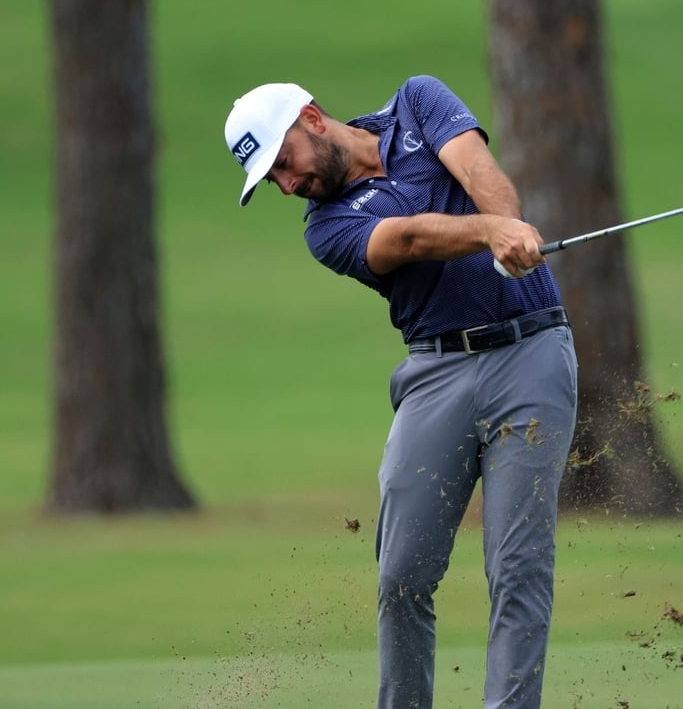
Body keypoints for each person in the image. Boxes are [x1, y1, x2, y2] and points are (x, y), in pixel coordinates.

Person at [223, 75, 578, 709]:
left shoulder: (417, 102)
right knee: (402, 576)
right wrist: (490, 234)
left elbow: (477, 170)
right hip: (436, 375)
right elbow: (406, 239)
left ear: (311, 117)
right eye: (272, 180)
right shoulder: (324, 227)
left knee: (518, 566)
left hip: (532, 356)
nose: (286, 183)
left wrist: (505, 221)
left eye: (283, 163)